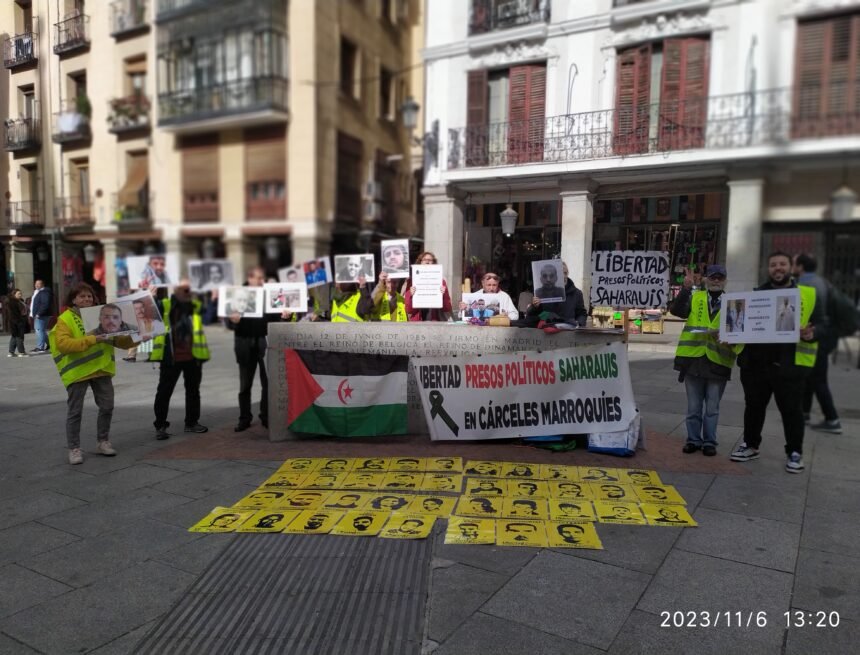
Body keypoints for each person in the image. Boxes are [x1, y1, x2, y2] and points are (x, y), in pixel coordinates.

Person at [732, 251, 824, 473]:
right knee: (753, 408)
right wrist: (729, 332)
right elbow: (741, 325)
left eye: (782, 264)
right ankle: (751, 445)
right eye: (773, 265)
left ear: (791, 267)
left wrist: (812, 333)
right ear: (768, 269)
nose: (778, 268)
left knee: (792, 411)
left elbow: (823, 325)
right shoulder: (755, 295)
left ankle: (794, 452)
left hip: (789, 365)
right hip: (756, 365)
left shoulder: (808, 295)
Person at [49, 282, 139, 464]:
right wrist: (92, 339)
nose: (87, 299)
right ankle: (74, 449)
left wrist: (138, 338)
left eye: (89, 296)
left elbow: (120, 342)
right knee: (75, 412)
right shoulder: (65, 319)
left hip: (101, 369)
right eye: (82, 296)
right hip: (78, 372)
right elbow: (63, 345)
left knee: (107, 407)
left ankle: (103, 442)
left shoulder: (102, 316)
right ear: (73, 299)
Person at [669, 264, 740, 456]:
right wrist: (685, 288)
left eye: (720, 277)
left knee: (712, 408)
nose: (716, 280)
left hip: (718, 362)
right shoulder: (696, 297)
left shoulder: (734, 303)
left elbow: (739, 334)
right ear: (706, 279)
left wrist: (728, 340)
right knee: (693, 407)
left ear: (725, 280)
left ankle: (709, 442)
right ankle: (693, 440)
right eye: (712, 277)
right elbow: (676, 311)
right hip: (693, 361)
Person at [227, 267, 290, 431]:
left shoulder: (270, 295)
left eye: (263, 279)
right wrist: (233, 321)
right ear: (250, 278)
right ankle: (244, 418)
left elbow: (277, 319)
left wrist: (285, 317)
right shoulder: (237, 294)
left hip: (264, 341)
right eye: (259, 278)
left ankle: (266, 416)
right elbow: (229, 323)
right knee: (244, 384)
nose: (262, 282)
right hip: (245, 343)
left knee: (267, 383)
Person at [151, 280, 211, 439]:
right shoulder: (166, 304)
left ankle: (191, 422)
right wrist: (150, 297)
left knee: (193, 390)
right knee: (164, 391)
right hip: (171, 356)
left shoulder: (195, 305)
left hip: (193, 356)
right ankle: (160, 425)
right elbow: (149, 313)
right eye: (184, 289)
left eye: (189, 289)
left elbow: (204, 310)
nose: (187, 292)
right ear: (176, 290)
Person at [793, 254, 841, 434]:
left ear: (800, 266)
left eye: (794, 262)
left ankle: (832, 418)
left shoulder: (806, 285)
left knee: (818, 380)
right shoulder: (821, 282)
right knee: (810, 378)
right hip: (823, 335)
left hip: (816, 337)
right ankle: (804, 413)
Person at [526, 262, 587, 327]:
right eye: (561, 273)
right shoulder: (541, 293)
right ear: (556, 276)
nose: (563, 276)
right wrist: (534, 307)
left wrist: (579, 323)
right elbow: (534, 317)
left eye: (565, 273)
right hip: (547, 332)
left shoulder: (577, 293)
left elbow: (582, 314)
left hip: (569, 333)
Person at [404, 251, 453, 321]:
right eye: (424, 260)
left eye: (430, 260)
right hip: (417, 324)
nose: (427, 262)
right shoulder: (411, 282)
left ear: (434, 263)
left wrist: (443, 295)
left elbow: (447, 308)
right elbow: (409, 310)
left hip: (434, 322)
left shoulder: (441, 282)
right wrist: (410, 295)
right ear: (420, 262)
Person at [29, 279, 54, 353]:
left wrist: (39, 313)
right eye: (35, 284)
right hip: (40, 314)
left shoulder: (44, 292)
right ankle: (50, 345)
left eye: (38, 284)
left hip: (41, 315)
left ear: (42, 284)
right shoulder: (38, 292)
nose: (36, 285)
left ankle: (40, 347)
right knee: (41, 330)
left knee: (39, 330)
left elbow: (45, 304)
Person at [5, 289, 29, 357]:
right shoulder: (12, 302)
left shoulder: (20, 301)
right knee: (19, 336)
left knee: (14, 336)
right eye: (18, 294)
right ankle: (21, 352)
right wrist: (19, 321)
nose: (20, 295)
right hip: (16, 321)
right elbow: (13, 314)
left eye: (20, 293)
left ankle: (11, 352)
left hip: (19, 320)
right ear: (14, 294)